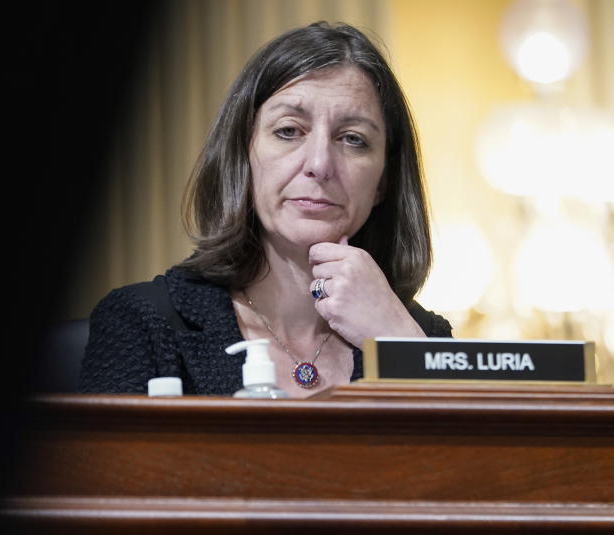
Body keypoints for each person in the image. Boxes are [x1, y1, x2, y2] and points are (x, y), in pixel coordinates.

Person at [80, 21, 452, 397]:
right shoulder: (143, 324)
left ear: (383, 181)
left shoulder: (423, 336)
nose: (320, 164)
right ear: (243, 155)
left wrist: (396, 342)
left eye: (353, 139)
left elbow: (467, 454)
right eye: (289, 131)